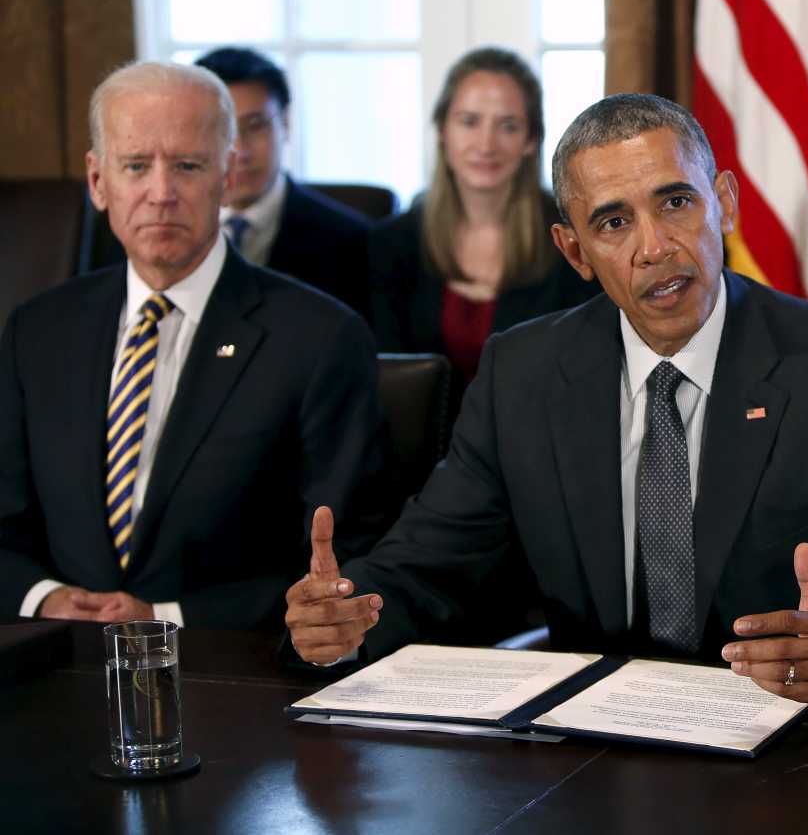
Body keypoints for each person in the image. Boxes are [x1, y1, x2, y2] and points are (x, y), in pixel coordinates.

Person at [286, 93, 808, 709]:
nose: (654, 247)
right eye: (614, 222)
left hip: (787, 737)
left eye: (676, 203)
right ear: (575, 251)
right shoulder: (523, 373)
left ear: (724, 202)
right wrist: (344, 617)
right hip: (590, 750)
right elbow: (426, 566)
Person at [0, 61, 392, 630]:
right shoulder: (37, 331)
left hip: (227, 664)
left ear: (226, 175)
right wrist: (45, 598)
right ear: (98, 181)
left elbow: (346, 556)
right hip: (61, 660)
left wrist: (163, 618)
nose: (161, 194)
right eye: (136, 166)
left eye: (187, 166)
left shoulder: (320, 338)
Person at [86, 48, 375, 319]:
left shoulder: (353, 241)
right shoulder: (129, 230)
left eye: (255, 126)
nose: (241, 149)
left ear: (286, 123)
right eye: (225, 132)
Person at [369, 47, 598, 387]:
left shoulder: (573, 241)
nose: (486, 144)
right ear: (442, 130)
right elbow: (389, 381)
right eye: (469, 122)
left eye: (508, 126)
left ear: (531, 140)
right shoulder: (391, 244)